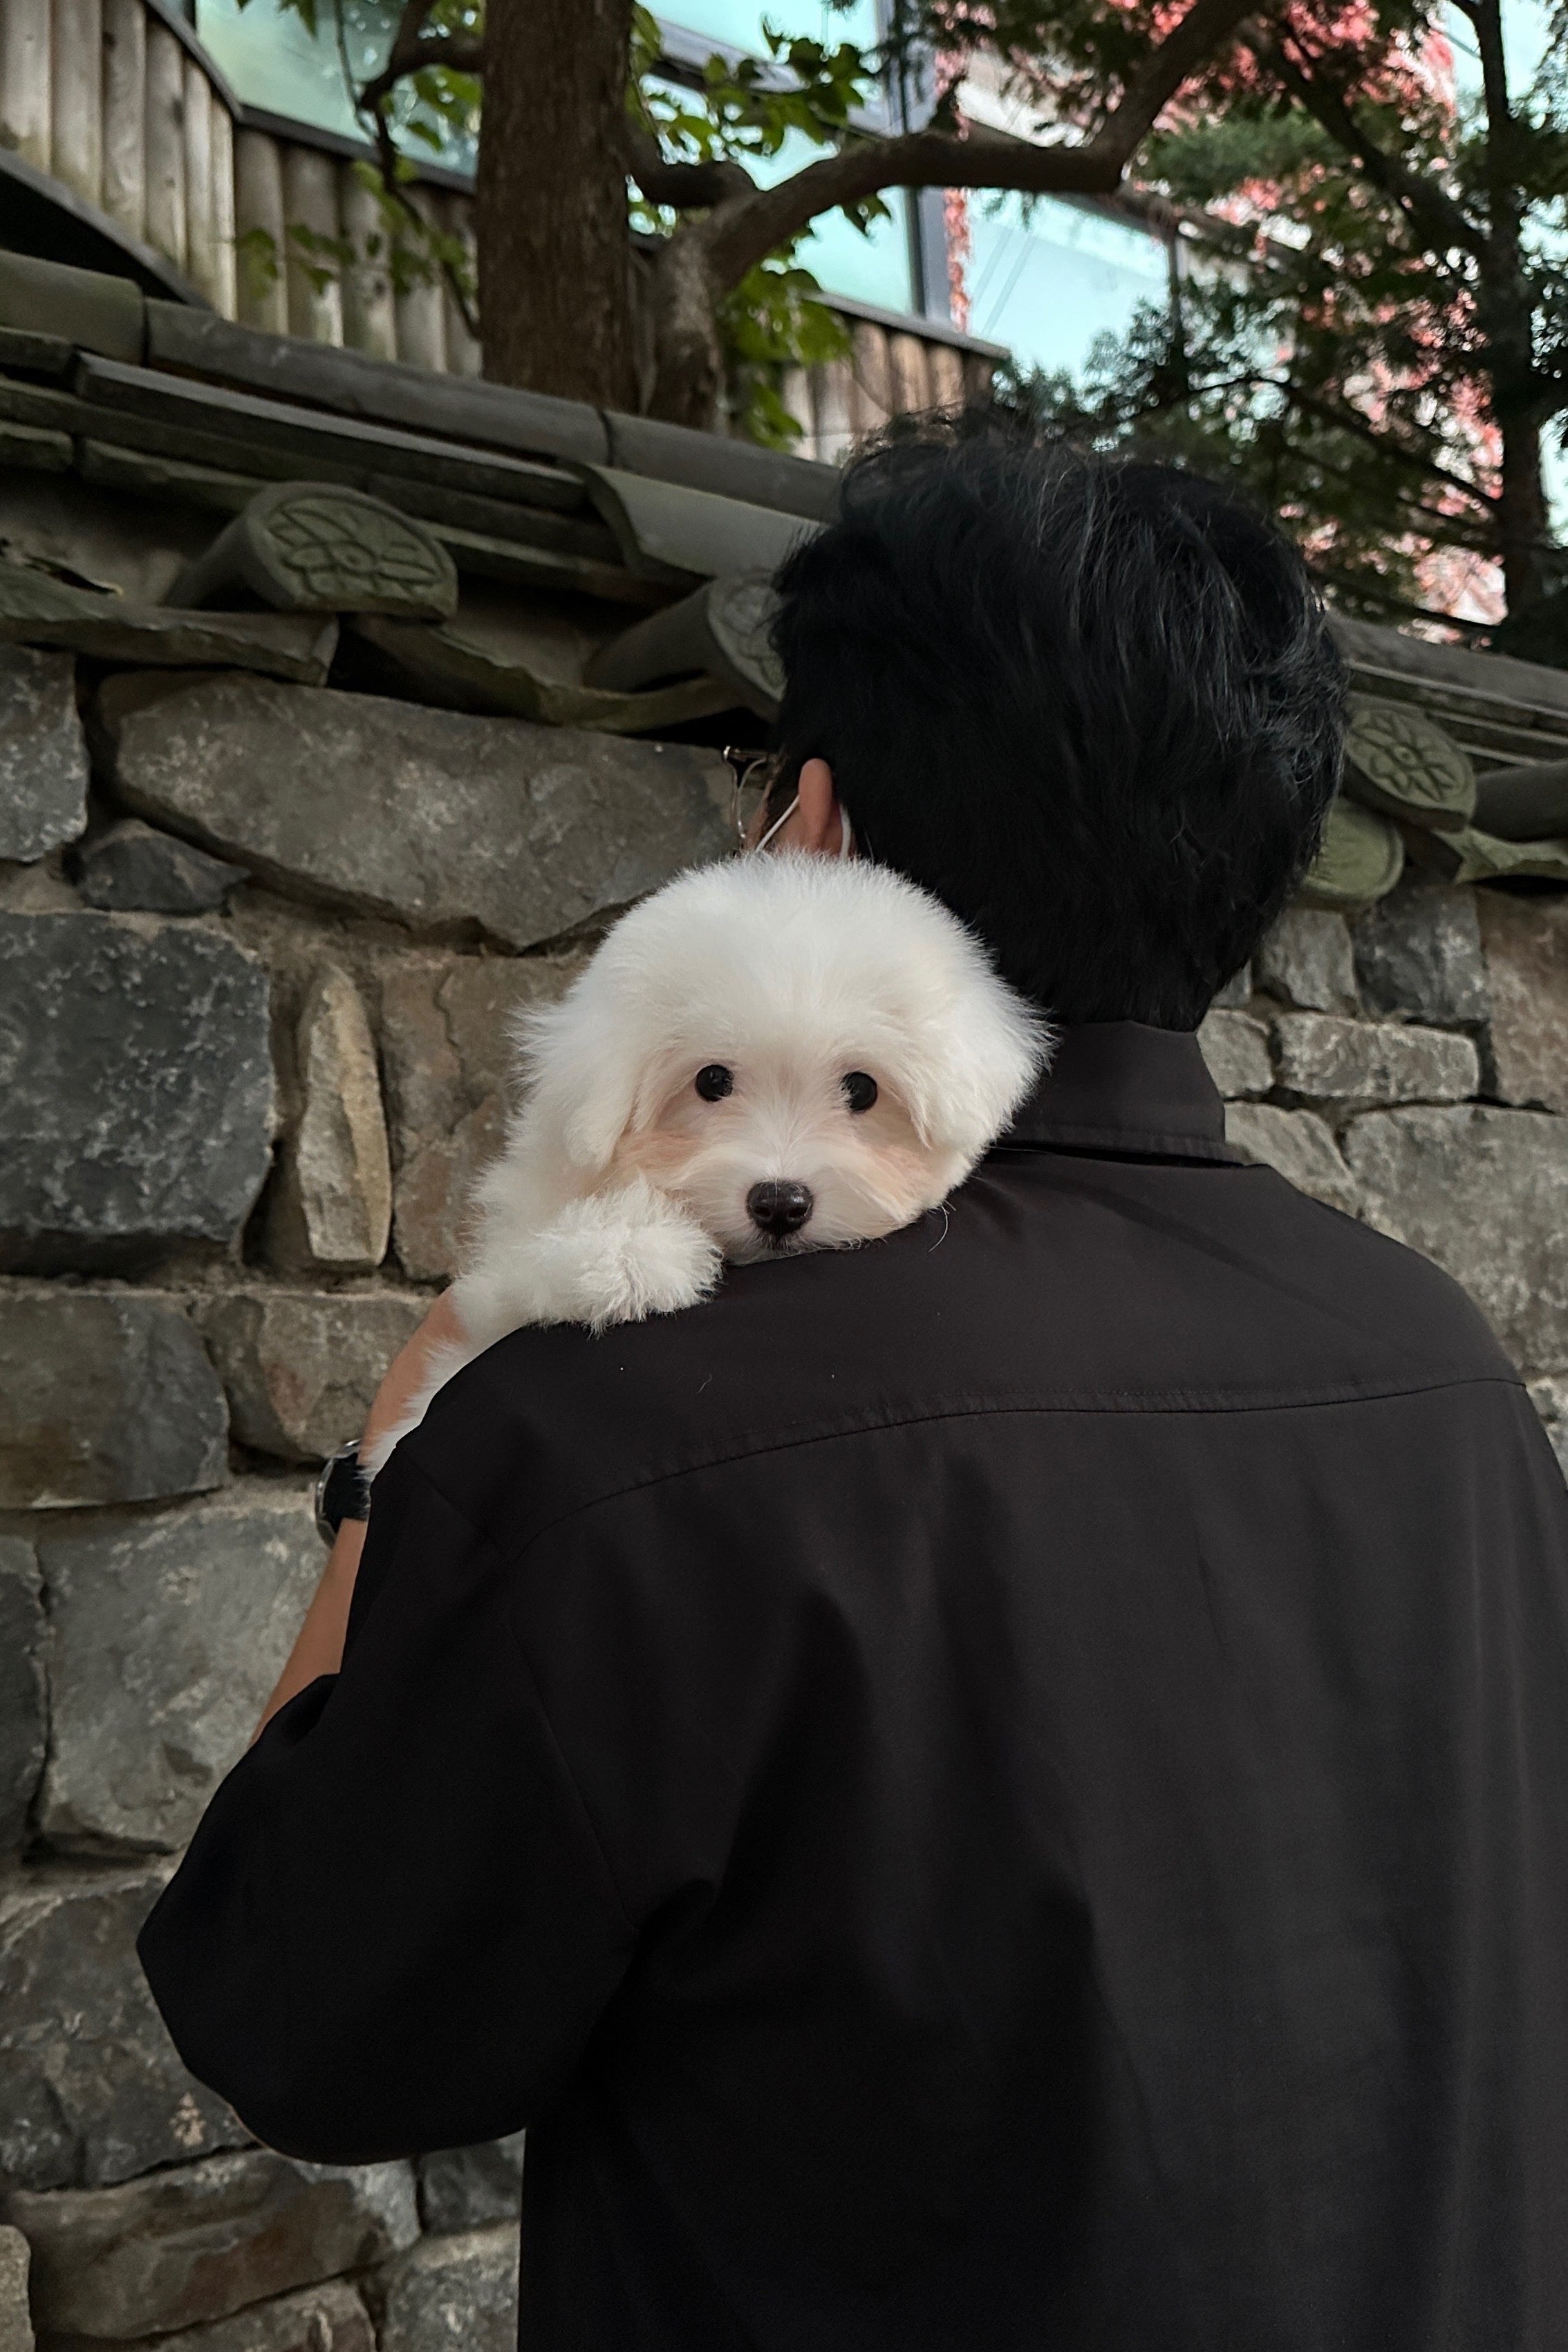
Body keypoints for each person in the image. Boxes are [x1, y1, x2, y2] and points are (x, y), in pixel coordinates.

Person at [140, 431, 1568, 2351]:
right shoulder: (1443, 1368)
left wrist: (395, 1452)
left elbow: (297, 2018)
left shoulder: (615, 1432)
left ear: (808, 826)